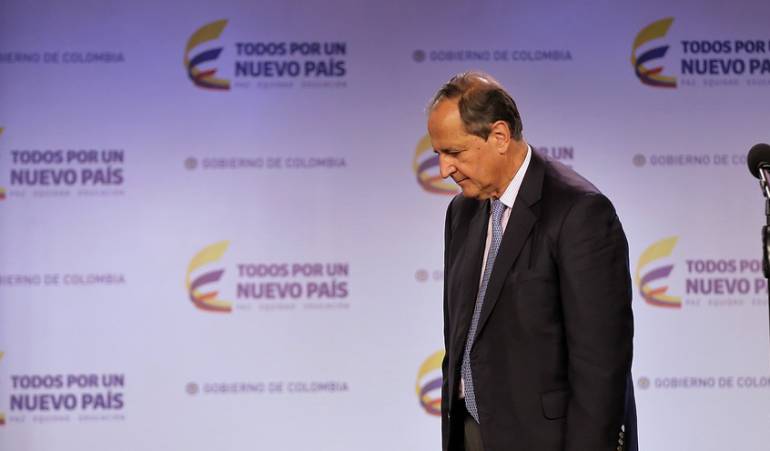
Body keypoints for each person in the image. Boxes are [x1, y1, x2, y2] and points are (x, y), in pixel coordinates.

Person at [428, 71, 637, 451]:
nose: (444, 169)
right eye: (438, 154)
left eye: (454, 153)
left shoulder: (579, 213)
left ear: (499, 136)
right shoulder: (461, 212)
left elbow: (601, 370)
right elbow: (461, 343)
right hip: (472, 434)